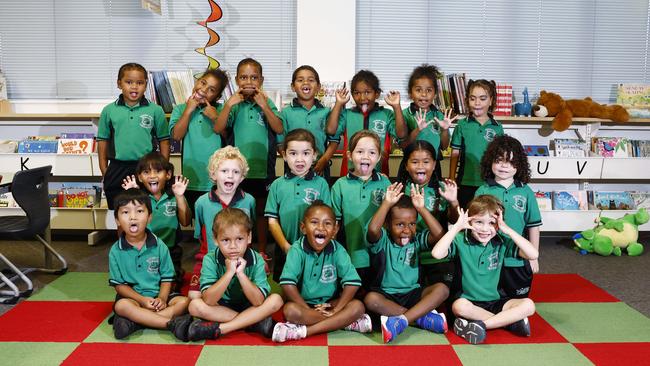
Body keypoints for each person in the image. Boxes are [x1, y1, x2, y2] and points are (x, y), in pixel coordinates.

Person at [431, 195, 538, 344]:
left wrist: (508, 230)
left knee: (529, 305)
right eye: (479, 222)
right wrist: (456, 227)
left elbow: (533, 254)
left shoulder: (501, 241)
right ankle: (509, 323)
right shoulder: (461, 240)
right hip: (468, 303)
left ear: (498, 224)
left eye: (492, 223)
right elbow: (437, 254)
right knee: (458, 306)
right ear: (469, 220)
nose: (484, 229)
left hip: (496, 301)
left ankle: (482, 325)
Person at [174, 208, 284, 342]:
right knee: (195, 305)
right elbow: (208, 300)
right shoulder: (210, 259)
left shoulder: (257, 259)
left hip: (250, 305)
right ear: (215, 240)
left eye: (239, 239)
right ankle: (255, 323)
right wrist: (229, 273)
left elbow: (258, 301)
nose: (233, 246)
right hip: (221, 307)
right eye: (225, 240)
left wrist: (241, 274)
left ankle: (221, 329)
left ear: (248, 237)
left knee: (276, 300)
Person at [214, 58, 283, 263]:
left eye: (254, 77)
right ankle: (242, 250)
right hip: (236, 172)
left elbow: (279, 128)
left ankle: (261, 250)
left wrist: (264, 106)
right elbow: (218, 128)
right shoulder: (234, 105)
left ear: (261, 80)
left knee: (261, 211)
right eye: (243, 77)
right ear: (236, 80)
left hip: (263, 168)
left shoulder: (266, 102)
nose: (249, 81)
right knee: (238, 212)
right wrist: (228, 104)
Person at [273, 201, 370, 342]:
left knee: (358, 307)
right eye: (314, 222)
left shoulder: (338, 250)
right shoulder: (296, 250)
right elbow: (287, 284)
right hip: (303, 304)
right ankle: (345, 323)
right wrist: (308, 310)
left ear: (335, 229)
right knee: (290, 311)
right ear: (303, 227)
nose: (321, 228)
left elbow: (353, 283)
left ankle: (305, 331)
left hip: (331, 304)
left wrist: (336, 309)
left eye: (327, 223)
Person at [364, 182, 449, 343]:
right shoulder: (383, 241)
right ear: (388, 225)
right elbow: (373, 229)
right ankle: (420, 319)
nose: (406, 230)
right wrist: (387, 203)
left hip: (413, 293)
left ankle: (400, 321)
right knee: (370, 300)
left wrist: (421, 209)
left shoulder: (416, 239)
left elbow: (439, 235)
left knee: (442, 289)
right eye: (399, 224)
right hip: (387, 295)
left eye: (412, 224)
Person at [108, 188, 190, 340]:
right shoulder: (115, 250)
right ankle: (170, 324)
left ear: (149, 217)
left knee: (185, 302)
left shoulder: (160, 246)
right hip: (134, 298)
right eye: (125, 212)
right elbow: (119, 285)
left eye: (139, 211)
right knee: (122, 306)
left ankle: (137, 322)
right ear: (118, 220)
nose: (133, 217)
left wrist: (162, 299)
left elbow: (167, 278)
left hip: (158, 295)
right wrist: (142, 300)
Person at [475, 135, 542, 299]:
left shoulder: (526, 192)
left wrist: (534, 256)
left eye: (511, 162)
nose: (504, 166)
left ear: (519, 165)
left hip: (517, 258)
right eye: (499, 160)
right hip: (488, 257)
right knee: (488, 299)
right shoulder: (482, 191)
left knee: (518, 301)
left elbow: (534, 226)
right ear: (490, 161)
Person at [97, 62, 170, 210]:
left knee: (144, 210)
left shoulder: (155, 110)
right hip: (117, 168)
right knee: (119, 212)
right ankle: (121, 234)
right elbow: (102, 141)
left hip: (145, 168)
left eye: (140, 83)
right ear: (119, 84)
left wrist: (161, 168)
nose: (134, 87)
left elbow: (164, 141)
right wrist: (105, 170)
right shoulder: (109, 111)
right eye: (129, 82)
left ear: (146, 84)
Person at [265, 129, 331, 281]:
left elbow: (328, 220)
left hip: (315, 249)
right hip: (285, 247)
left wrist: (318, 245)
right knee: (286, 288)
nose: (299, 159)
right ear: (284, 155)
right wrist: (285, 246)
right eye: (293, 153)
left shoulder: (321, 184)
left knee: (311, 287)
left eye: (306, 153)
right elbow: (272, 221)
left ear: (314, 155)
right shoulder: (277, 185)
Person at [190, 146, 256, 299]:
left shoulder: (249, 201)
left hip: (241, 260)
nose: (230, 176)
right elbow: (201, 236)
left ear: (242, 177)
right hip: (210, 260)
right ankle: (239, 319)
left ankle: (227, 318)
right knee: (194, 297)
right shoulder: (201, 203)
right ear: (213, 174)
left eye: (236, 172)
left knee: (248, 296)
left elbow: (248, 232)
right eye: (224, 171)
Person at [121, 152, 191, 289]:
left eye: (158, 171)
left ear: (168, 174)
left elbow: (185, 222)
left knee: (171, 287)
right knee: (143, 286)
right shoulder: (139, 197)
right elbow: (128, 226)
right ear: (140, 177)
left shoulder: (175, 195)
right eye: (146, 172)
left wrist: (180, 197)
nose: (152, 176)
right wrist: (131, 197)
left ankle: (174, 275)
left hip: (170, 250)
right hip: (144, 251)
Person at [331, 130, 391, 289]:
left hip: (380, 255)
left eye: (372, 152)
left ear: (379, 157)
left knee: (376, 292)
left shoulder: (386, 184)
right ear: (349, 155)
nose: (365, 156)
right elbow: (334, 225)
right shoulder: (340, 186)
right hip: (351, 253)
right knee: (353, 292)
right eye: (360, 151)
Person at [396, 140, 460, 287]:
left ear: (434, 164)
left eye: (426, 162)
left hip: (436, 255)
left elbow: (454, 221)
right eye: (414, 162)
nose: (420, 167)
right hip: (406, 255)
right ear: (406, 165)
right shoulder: (398, 189)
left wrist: (454, 202)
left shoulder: (444, 188)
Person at [326, 70, 407, 176]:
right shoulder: (347, 114)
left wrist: (396, 106)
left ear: (377, 94)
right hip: (349, 177)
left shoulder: (386, 115)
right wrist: (338, 104)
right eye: (357, 93)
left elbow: (402, 134)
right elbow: (330, 130)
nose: (362, 98)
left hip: (379, 177)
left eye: (367, 92)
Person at [169, 68, 229, 212]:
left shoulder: (222, 110)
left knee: (218, 218)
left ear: (217, 96)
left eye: (211, 89)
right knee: (197, 218)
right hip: (192, 178)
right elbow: (176, 136)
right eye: (202, 83)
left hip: (218, 180)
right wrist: (189, 110)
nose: (203, 90)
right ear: (196, 81)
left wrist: (215, 117)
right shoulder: (180, 109)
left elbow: (229, 137)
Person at [449, 79, 504, 209]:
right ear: (467, 100)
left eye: (482, 98)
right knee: (465, 217)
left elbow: (500, 157)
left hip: (489, 182)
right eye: (472, 98)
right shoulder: (462, 125)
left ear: (491, 101)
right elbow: (455, 153)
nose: (477, 103)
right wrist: (451, 178)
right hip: (465, 182)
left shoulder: (498, 128)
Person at [279, 65, 340, 179]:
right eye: (300, 80)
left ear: (318, 87)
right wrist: (292, 161)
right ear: (293, 87)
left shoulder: (327, 112)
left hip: (320, 166)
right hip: (293, 168)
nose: (306, 83)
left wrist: (323, 160)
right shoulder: (286, 113)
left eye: (311, 80)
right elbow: (281, 143)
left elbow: (334, 140)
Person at [402, 64, 458, 180]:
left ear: (435, 94)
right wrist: (418, 130)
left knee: (433, 196)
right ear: (410, 93)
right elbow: (404, 144)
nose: (423, 94)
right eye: (418, 90)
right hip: (411, 166)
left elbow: (444, 146)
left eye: (429, 90)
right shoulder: (406, 114)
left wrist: (445, 129)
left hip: (433, 166)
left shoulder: (439, 116)